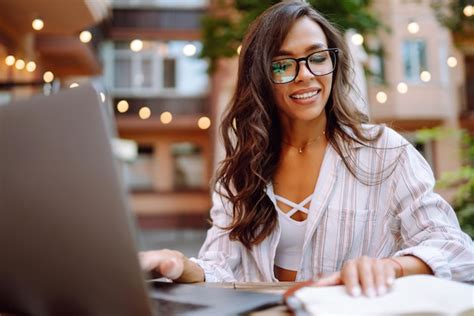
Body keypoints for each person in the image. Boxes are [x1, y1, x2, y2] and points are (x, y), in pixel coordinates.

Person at [139, 0, 473, 298]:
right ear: (261, 77)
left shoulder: (385, 150)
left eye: (317, 58)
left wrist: (392, 267)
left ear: (334, 62)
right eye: (283, 64)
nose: (305, 75)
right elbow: (220, 269)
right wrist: (180, 266)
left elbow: (457, 251)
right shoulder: (241, 167)